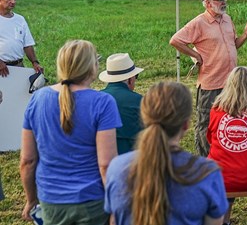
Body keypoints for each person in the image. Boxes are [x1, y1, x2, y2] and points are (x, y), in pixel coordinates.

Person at [20, 39, 120, 224]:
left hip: (51, 201)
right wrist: (116, 206)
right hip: (93, 201)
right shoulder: (103, 103)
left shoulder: (38, 99)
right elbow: (106, 165)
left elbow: (27, 161)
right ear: (92, 67)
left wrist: (31, 200)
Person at [105, 81, 229, 225]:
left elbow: (114, 219)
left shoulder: (117, 168)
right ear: (186, 124)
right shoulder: (206, 172)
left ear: (145, 119)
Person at [170, 0, 247, 156]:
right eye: (220, 0)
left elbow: (234, 45)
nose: (224, 2)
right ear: (208, 3)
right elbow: (175, 40)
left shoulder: (227, 19)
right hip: (210, 82)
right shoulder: (199, 22)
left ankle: (226, 153)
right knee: (205, 122)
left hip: (231, 82)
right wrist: (195, 54)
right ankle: (206, 159)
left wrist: (245, 35)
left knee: (229, 119)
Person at [207, 66, 247, 225]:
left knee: (228, 173)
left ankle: (225, 220)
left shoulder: (216, 110)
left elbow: (210, 138)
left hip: (222, 176)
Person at [99, 53, 144, 155]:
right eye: (135, 77)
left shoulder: (96, 99)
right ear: (129, 79)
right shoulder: (139, 100)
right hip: (133, 159)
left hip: (100, 159)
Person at [0, 0, 43, 77]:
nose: (13, 2)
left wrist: (35, 62)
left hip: (18, 66)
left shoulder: (20, 19)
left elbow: (27, 44)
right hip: (1, 67)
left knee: (18, 91)